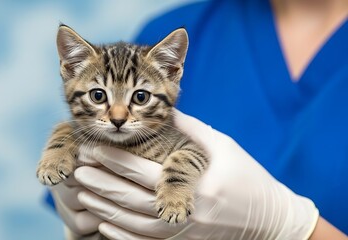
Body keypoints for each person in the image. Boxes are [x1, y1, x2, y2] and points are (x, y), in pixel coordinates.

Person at [47, 0, 348, 239]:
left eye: (139, 98)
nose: (118, 116)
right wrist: (80, 225)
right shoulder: (169, 30)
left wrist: (293, 228)